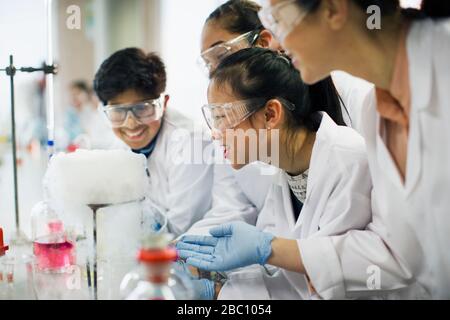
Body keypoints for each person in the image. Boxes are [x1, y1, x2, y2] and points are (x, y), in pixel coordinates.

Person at [251, 0, 450, 298]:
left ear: (333, 9)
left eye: (278, 18)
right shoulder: (375, 110)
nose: (275, 38)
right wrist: (273, 248)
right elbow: (397, 250)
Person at [177, 48, 373, 299]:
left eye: (221, 117)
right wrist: (217, 289)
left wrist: (217, 294)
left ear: (270, 114)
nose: (215, 133)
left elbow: (327, 285)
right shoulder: (284, 174)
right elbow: (280, 279)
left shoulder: (348, 160)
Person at [93, 48, 214, 236]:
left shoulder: (191, 143)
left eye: (142, 108)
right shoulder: (118, 149)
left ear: (163, 103)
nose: (131, 123)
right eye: (118, 111)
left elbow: (181, 228)